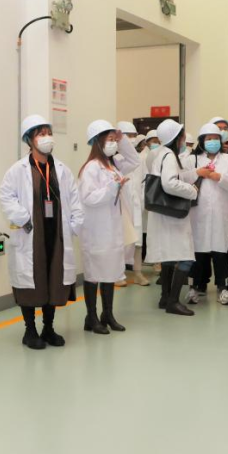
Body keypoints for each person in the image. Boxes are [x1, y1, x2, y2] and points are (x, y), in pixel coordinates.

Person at [0, 115, 84, 349]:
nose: (47, 138)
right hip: (32, 234)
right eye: (41, 134)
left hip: (56, 233)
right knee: (30, 283)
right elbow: (6, 197)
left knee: (53, 279)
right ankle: (30, 331)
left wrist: (75, 223)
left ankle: (48, 328)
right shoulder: (18, 170)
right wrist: (23, 218)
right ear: (30, 140)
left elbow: (75, 199)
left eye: (48, 133)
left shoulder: (62, 170)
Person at [78, 120, 139, 332]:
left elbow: (134, 160)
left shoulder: (113, 165)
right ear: (98, 142)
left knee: (110, 271)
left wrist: (123, 141)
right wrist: (112, 187)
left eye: (114, 140)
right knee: (94, 273)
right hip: (96, 231)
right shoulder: (91, 168)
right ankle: (91, 317)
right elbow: (88, 198)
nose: (113, 143)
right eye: (110, 140)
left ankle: (108, 314)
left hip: (112, 229)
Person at [147, 119, 200, 315]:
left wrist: (196, 173)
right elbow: (169, 183)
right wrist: (192, 191)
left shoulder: (161, 154)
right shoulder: (169, 156)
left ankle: (165, 298)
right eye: (183, 136)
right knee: (185, 257)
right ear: (176, 137)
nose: (184, 140)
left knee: (169, 257)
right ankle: (173, 301)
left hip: (163, 214)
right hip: (172, 215)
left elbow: (177, 176)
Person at [187, 123, 228, 305]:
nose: (213, 142)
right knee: (198, 252)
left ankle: (222, 287)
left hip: (221, 212)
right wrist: (198, 173)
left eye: (216, 138)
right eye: (209, 138)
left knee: (220, 252)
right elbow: (182, 178)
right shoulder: (192, 159)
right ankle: (194, 288)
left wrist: (220, 177)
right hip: (198, 214)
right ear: (202, 141)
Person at [115, 121, 149, 286]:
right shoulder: (115, 159)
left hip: (136, 205)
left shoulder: (139, 159)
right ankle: (118, 274)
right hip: (122, 206)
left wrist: (142, 201)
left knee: (137, 242)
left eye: (134, 135)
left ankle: (138, 273)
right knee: (121, 241)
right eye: (128, 136)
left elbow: (143, 182)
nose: (132, 139)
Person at [142, 129, 161, 271]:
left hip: (158, 196)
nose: (156, 143)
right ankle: (153, 260)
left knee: (157, 231)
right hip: (147, 195)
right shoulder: (142, 157)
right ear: (147, 142)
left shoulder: (163, 155)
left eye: (158, 141)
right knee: (148, 231)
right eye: (154, 141)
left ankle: (158, 261)